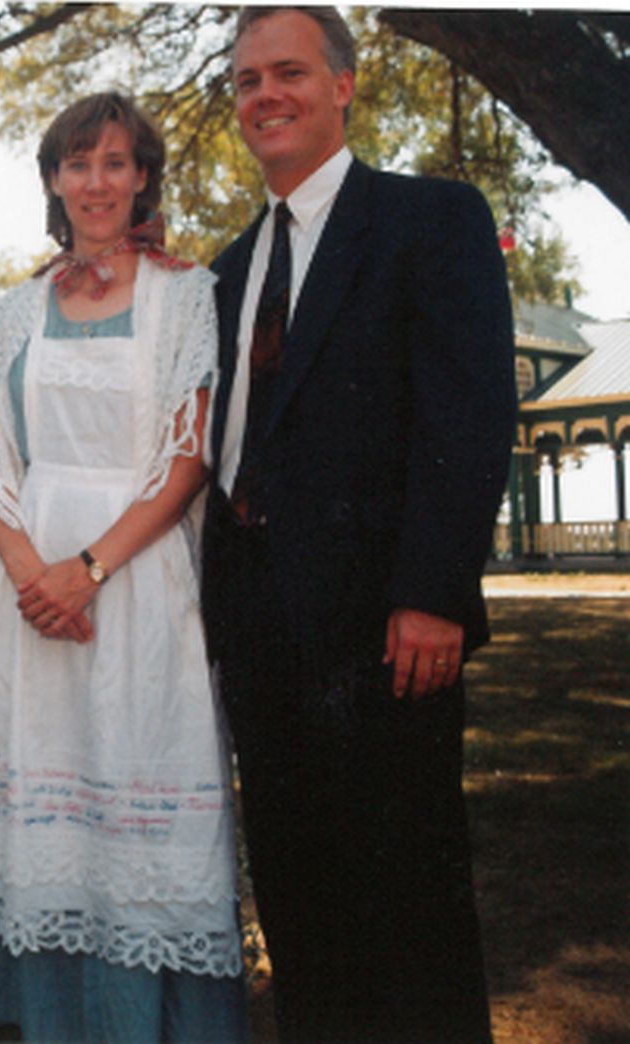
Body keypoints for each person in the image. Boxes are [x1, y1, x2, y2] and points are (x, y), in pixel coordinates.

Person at [202, 8, 516, 1042]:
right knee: (301, 908)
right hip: (256, 638)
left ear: (344, 83)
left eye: (287, 72)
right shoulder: (225, 272)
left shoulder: (431, 220)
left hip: (385, 635)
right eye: (247, 81)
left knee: (410, 910)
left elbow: (468, 416)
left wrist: (432, 592)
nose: (265, 96)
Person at [0, 92, 245, 1042]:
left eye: (114, 162)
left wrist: (88, 571)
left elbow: (189, 456)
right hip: (28, 599)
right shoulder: (19, 308)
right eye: (77, 163)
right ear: (54, 180)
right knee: (45, 799)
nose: (96, 181)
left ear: (143, 174)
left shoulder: (188, 294)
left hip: (136, 581)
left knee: (131, 796)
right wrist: (33, 574)